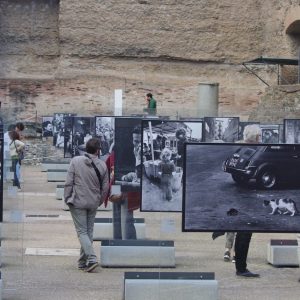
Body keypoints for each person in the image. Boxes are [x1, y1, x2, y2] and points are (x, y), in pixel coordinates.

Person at [64, 138, 109, 272]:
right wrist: (99, 200)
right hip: (93, 201)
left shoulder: (75, 161)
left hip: (78, 200)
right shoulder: (102, 165)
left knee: (82, 232)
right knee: (88, 231)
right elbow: (105, 187)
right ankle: (83, 262)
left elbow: (69, 182)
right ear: (98, 150)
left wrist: (67, 197)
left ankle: (92, 258)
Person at [234, 124, 261, 278]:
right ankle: (241, 268)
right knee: (244, 232)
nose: (261, 138)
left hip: (239, 195)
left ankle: (240, 266)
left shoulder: (239, 148)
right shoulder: (251, 151)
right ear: (256, 137)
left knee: (242, 232)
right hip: (244, 198)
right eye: (260, 136)